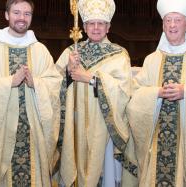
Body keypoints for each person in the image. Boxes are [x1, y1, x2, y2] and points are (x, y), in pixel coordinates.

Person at [126, 0, 186, 186]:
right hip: (156, 143)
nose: (172, 25)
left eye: (177, 20)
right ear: (163, 25)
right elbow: (134, 92)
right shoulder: (152, 60)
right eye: (168, 20)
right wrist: (155, 93)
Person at [0, 0, 62, 186]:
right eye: (17, 12)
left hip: (33, 132)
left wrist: (37, 83)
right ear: (7, 15)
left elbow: (54, 84)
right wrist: (10, 82)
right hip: (0, 131)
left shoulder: (40, 51)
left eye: (27, 14)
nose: (22, 18)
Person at [55, 0, 137, 186]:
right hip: (74, 124)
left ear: (108, 27)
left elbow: (124, 91)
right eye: (91, 23)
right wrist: (68, 72)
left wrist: (91, 78)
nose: (96, 27)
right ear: (83, 26)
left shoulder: (119, 54)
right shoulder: (71, 52)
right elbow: (52, 86)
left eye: (101, 23)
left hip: (104, 127)